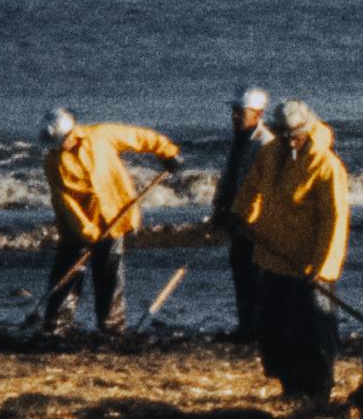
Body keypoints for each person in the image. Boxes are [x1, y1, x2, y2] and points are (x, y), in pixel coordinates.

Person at [236, 100, 351, 407]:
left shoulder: (326, 165)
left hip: (310, 264)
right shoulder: (271, 153)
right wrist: (242, 215)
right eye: (283, 133)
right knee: (270, 327)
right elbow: (251, 187)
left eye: (294, 133)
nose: (289, 139)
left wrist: (322, 267)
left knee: (314, 331)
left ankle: (318, 392)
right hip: (275, 257)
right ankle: (290, 385)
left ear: (307, 128)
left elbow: (335, 219)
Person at [37, 108, 182, 333]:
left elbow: (139, 138)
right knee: (68, 269)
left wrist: (167, 153)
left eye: (63, 140)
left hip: (115, 215)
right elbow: (67, 204)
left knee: (110, 273)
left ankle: (111, 326)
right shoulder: (53, 162)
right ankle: (57, 322)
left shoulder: (101, 135)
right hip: (77, 226)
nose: (61, 145)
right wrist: (89, 232)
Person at [214, 86, 277, 341]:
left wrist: (246, 217)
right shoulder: (241, 138)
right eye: (234, 112)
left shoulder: (265, 143)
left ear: (258, 114)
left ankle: (257, 329)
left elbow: (263, 187)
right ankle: (246, 327)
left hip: (253, 221)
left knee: (255, 275)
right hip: (235, 216)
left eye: (241, 113)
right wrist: (219, 205)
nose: (235, 117)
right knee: (241, 272)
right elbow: (230, 177)